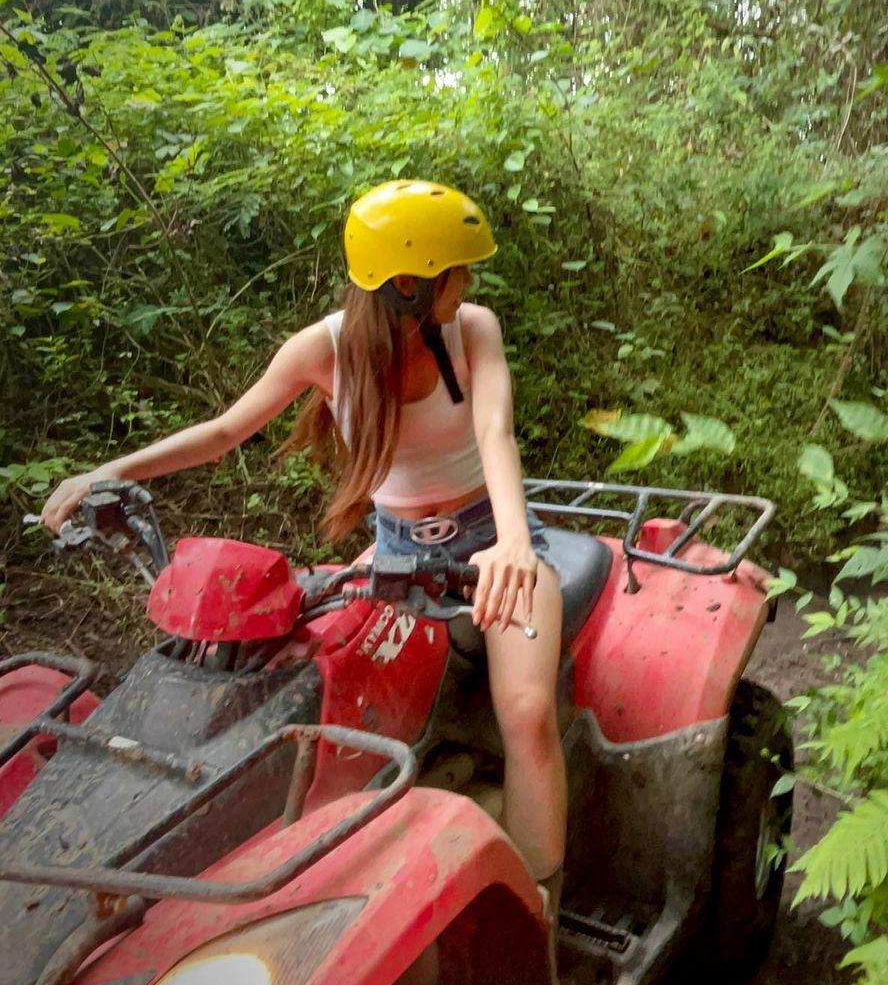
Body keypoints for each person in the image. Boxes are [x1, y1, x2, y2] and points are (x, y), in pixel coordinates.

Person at [41, 179, 566, 889]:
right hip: (398, 550)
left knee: (527, 712)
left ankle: (538, 899)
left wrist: (512, 543)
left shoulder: (474, 327)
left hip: (491, 536)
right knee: (328, 697)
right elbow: (224, 432)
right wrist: (111, 471)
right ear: (408, 284)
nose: (469, 282)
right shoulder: (323, 350)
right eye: (457, 270)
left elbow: (496, 432)